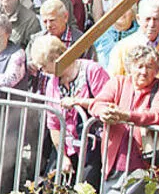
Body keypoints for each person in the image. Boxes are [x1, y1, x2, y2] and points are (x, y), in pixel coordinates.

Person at [91, 44, 159, 194]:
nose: (144, 71)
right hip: (116, 162)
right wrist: (104, 112)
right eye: (139, 66)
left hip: (145, 164)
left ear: (157, 69)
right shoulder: (119, 82)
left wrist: (128, 116)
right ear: (130, 67)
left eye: (149, 66)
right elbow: (98, 102)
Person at [31, 35, 110, 184]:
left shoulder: (92, 70)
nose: (43, 71)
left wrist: (77, 102)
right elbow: (54, 124)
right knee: (51, 186)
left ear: (56, 59)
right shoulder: (52, 84)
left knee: (86, 191)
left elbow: (107, 102)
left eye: (44, 66)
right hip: (68, 145)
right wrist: (63, 156)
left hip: (94, 146)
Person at [107, 0, 159, 77]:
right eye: (147, 19)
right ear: (138, 19)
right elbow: (114, 82)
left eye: (156, 19)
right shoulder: (122, 47)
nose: (151, 24)